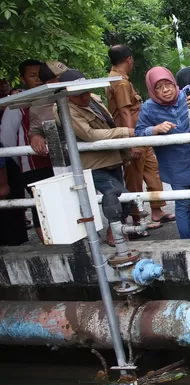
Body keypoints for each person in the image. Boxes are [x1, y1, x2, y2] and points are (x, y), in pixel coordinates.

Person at [57, 70, 137, 245]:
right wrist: (126, 132)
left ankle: (117, 230)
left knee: (118, 199)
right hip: (93, 164)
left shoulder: (93, 98)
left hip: (112, 157)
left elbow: (107, 121)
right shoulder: (63, 109)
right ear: (67, 93)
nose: (84, 97)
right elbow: (89, 134)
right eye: (78, 95)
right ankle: (113, 232)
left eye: (85, 91)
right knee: (123, 197)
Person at [135, 67, 190, 239]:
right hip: (174, 164)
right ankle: (187, 242)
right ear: (152, 91)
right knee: (182, 204)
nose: (165, 90)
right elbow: (138, 132)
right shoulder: (149, 107)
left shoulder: (189, 95)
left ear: (174, 83)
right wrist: (155, 129)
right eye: (159, 87)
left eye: (168, 84)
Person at [107, 45, 174, 230]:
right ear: (129, 59)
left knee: (152, 170)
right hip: (134, 136)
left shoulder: (120, 79)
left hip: (142, 133)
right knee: (135, 176)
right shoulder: (120, 82)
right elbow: (124, 111)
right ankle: (137, 218)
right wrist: (133, 142)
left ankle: (157, 209)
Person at [0, 59, 54, 242]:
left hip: (55, 162)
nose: (38, 79)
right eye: (32, 76)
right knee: (40, 208)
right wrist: (22, 159)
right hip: (31, 165)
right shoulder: (16, 105)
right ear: (23, 79)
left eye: (41, 75)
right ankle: (51, 245)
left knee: (56, 204)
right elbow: (6, 140)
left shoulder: (52, 99)